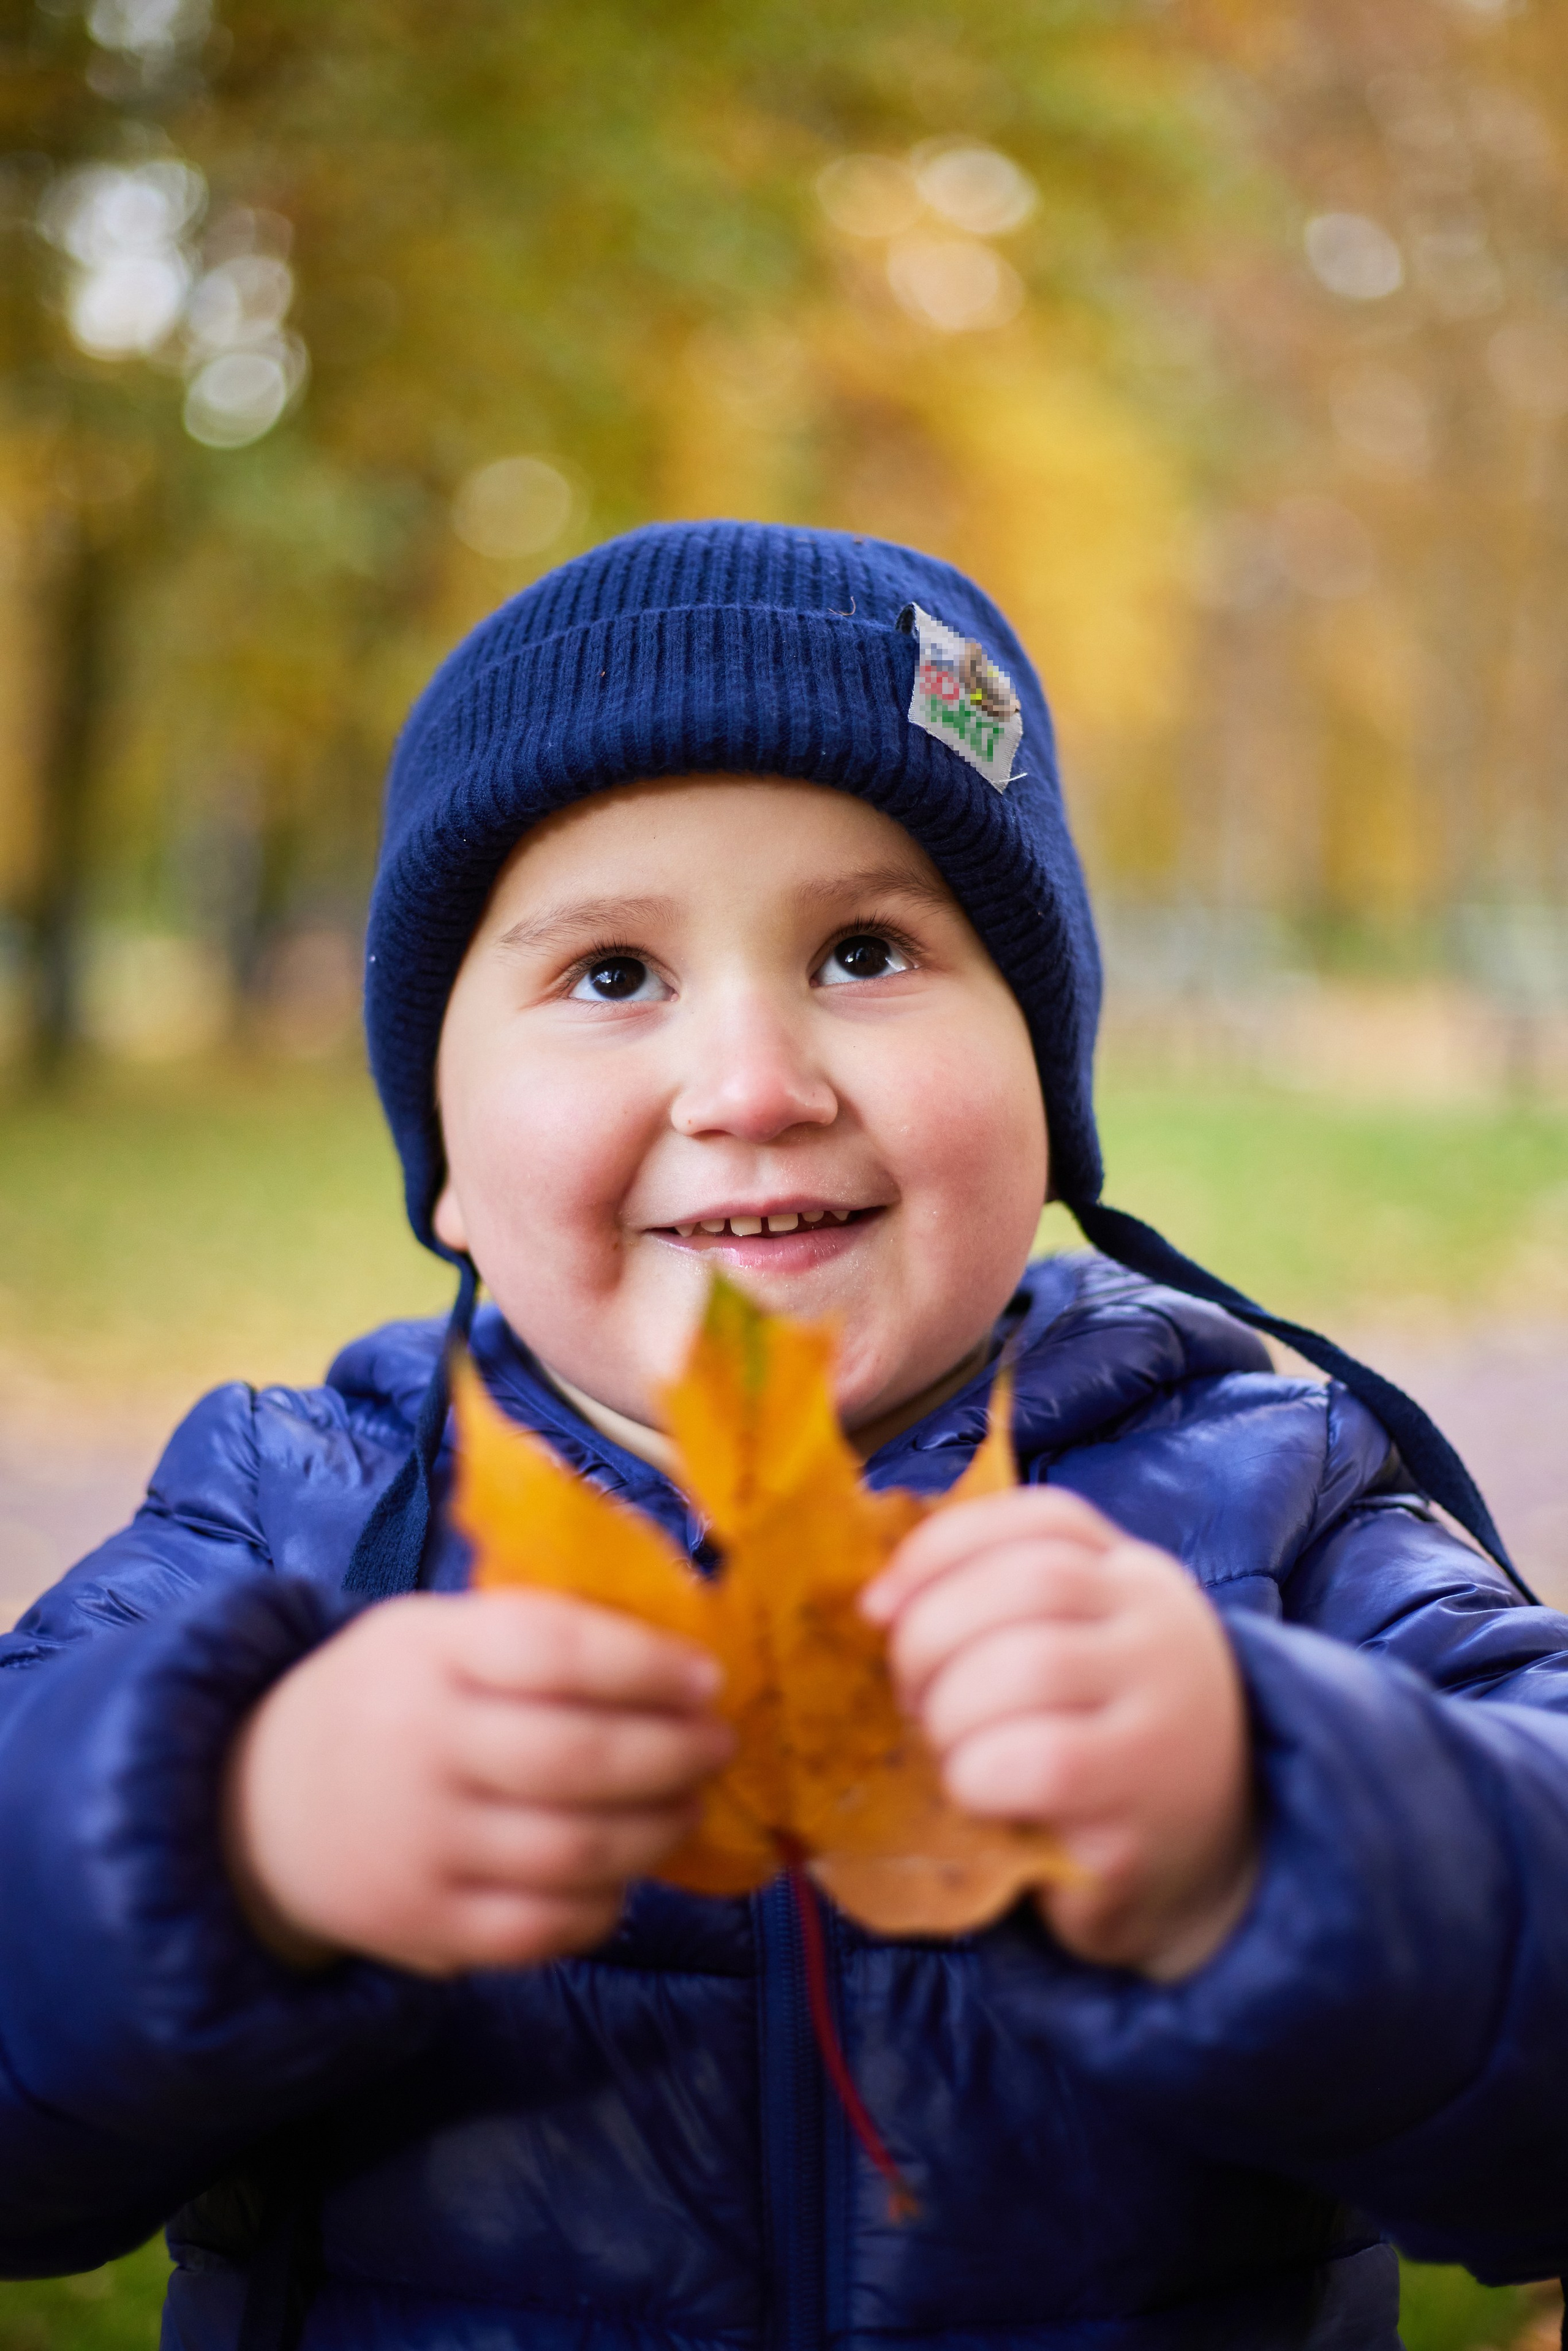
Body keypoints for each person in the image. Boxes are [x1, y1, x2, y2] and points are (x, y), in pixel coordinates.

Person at [3, 523, 1568, 2351]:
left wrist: (1274, 1819)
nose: (752, 1086)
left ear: (1051, 1092)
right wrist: (228, 1835)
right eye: (609, 978)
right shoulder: (286, 1524)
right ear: (439, 1150)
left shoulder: (1269, 1492)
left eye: (864, 949)